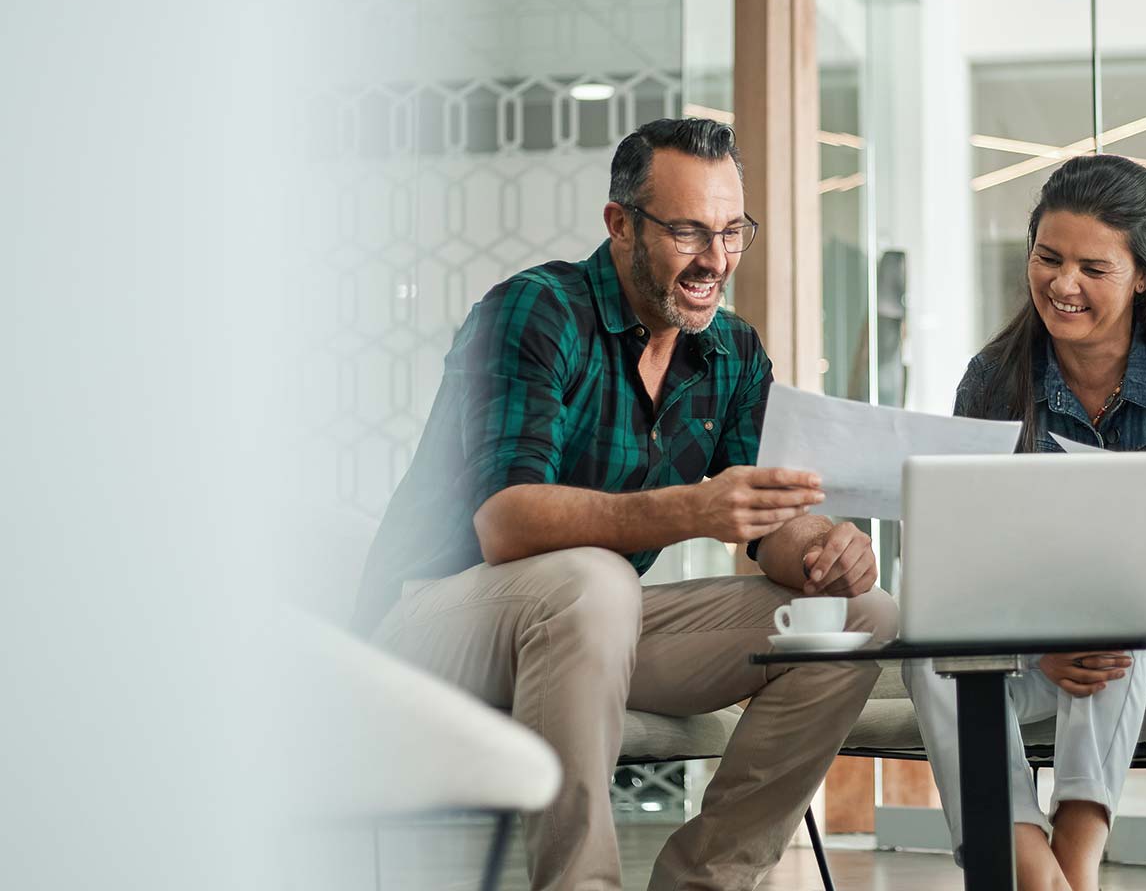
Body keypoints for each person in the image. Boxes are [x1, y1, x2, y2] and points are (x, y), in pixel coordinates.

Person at [349, 118, 898, 891]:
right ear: (620, 225)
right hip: (434, 624)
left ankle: (704, 883)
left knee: (862, 613)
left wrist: (822, 546)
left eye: (732, 232)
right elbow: (505, 523)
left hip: (590, 626)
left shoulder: (732, 353)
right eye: (688, 232)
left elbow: (761, 517)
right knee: (598, 580)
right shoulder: (534, 313)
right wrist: (694, 509)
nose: (715, 260)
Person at [904, 154, 1146, 891]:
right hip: (1050, 635)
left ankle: (1077, 865)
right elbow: (969, 552)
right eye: (1048, 258)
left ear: (1141, 274)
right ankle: (1029, 870)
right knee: (931, 651)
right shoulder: (993, 378)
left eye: (1093, 267)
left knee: (1114, 606)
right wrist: (1036, 633)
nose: (1063, 283)